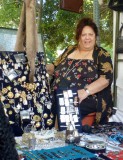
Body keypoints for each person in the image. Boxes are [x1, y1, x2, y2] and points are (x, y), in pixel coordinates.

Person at [47, 17, 113, 127]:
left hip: (85, 98)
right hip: (58, 94)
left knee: (64, 106)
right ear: (78, 37)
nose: (87, 38)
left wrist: (85, 91)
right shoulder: (70, 50)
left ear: (95, 36)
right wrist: (40, 67)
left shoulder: (102, 54)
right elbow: (54, 66)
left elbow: (105, 79)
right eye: (83, 35)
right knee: (41, 104)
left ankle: (63, 137)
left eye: (90, 34)